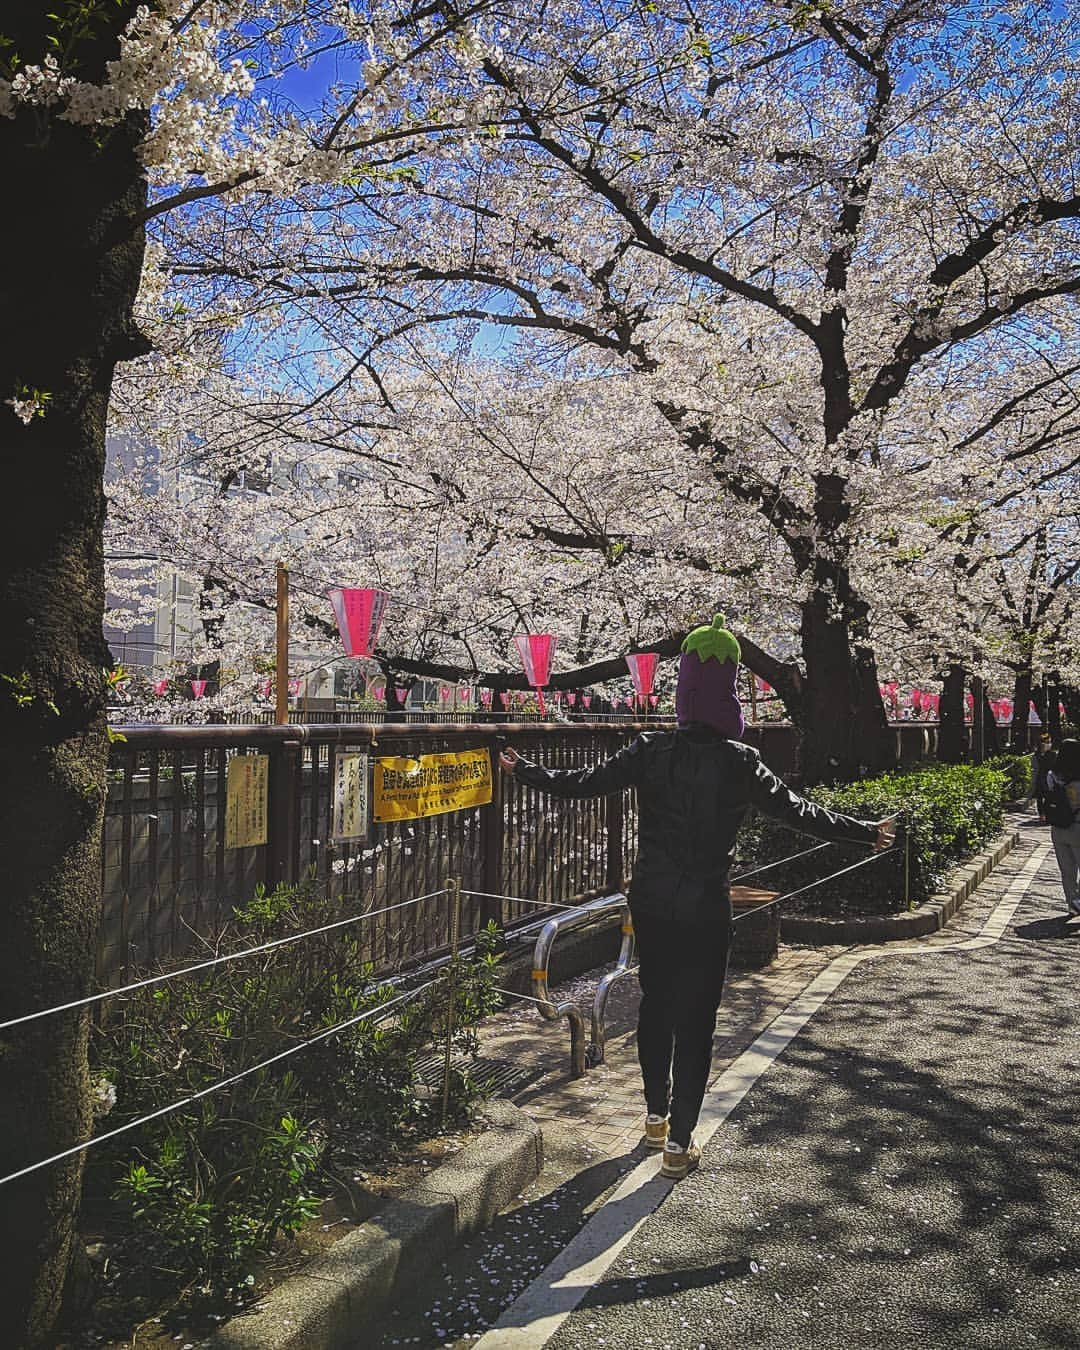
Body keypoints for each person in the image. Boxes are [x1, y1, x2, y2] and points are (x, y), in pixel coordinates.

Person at [498, 616, 894, 1181]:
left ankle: (654, 1114)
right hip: (707, 903)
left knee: (656, 1004)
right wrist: (863, 831)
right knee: (698, 1019)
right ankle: (679, 1142)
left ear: (682, 688)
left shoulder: (649, 750)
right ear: (728, 691)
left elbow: (582, 783)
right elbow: (801, 813)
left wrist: (528, 771)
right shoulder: (742, 762)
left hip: (652, 898)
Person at [1044, 738, 1080, 917]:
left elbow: (1049, 797)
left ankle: (1072, 903)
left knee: (1067, 870)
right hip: (1078, 827)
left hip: (1058, 828)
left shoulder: (1053, 775)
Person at [1030, 733, 1058, 821]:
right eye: (1046, 742)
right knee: (1039, 796)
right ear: (1041, 743)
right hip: (1039, 777)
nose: (1048, 744)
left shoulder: (1053, 754)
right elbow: (1035, 766)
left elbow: (1054, 766)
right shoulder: (1037, 754)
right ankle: (1041, 814)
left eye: (1049, 742)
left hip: (1049, 777)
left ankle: (1046, 813)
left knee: (1048, 796)